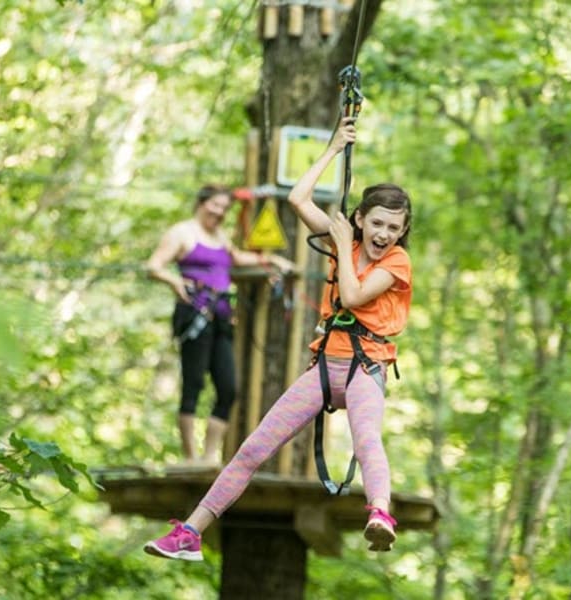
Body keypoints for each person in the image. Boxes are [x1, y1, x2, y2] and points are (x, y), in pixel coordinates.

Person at [144, 117, 413, 559]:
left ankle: (380, 514)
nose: (384, 235)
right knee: (253, 448)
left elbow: (351, 294)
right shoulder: (346, 238)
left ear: (402, 232)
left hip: (366, 366)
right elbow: (297, 198)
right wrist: (331, 149)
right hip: (326, 366)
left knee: (367, 440)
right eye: (377, 224)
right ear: (361, 218)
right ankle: (191, 532)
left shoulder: (397, 262)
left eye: (394, 228)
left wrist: (344, 243)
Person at [146, 184, 295, 466]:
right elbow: (153, 266)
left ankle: (210, 456)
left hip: (222, 317)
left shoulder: (220, 236)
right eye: (215, 205)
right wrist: (175, 281)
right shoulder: (182, 233)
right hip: (195, 315)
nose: (219, 212)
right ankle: (191, 457)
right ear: (202, 203)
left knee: (228, 388)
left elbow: (237, 258)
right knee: (194, 383)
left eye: (224, 208)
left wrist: (270, 261)